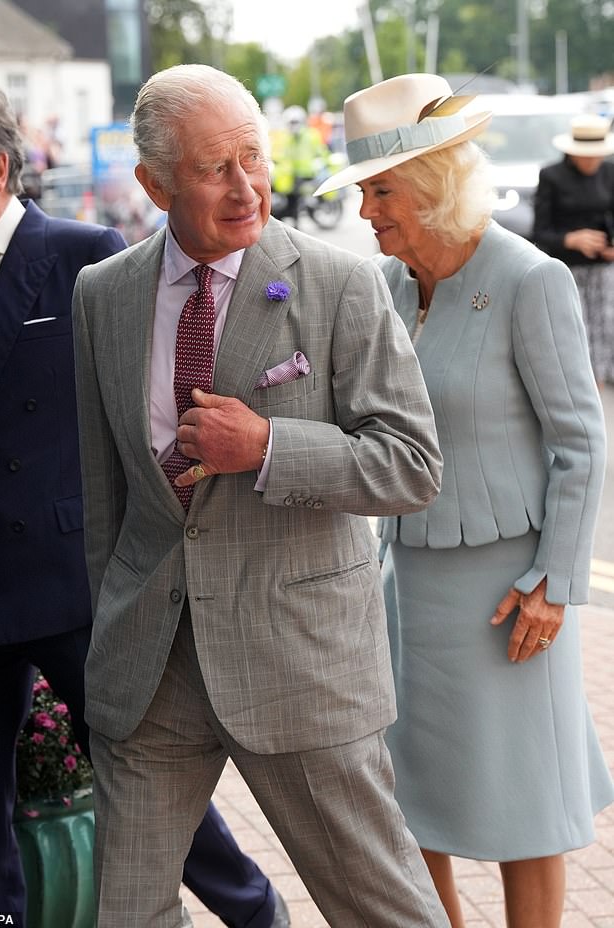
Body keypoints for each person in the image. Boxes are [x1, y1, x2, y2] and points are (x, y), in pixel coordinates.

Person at [71, 63, 447, 928]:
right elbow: (104, 493)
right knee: (124, 913)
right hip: (151, 667)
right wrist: (112, 624)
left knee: (384, 912)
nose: (247, 187)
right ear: (153, 184)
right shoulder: (105, 293)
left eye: (254, 157)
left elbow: (412, 465)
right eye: (215, 169)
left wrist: (269, 445)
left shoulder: (339, 284)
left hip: (298, 667)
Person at [0, 85, 291, 928]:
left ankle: (256, 912)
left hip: (71, 580)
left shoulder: (85, 251)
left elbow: (150, 408)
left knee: (152, 788)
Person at [315, 73, 614, 928]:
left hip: (509, 595)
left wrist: (555, 585)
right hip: (408, 583)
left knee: (526, 810)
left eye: (381, 192)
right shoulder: (391, 285)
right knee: (412, 802)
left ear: (432, 187)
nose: (367, 212)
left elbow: (580, 443)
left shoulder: (529, 279)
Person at [533, 113, 614, 389]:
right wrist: (571, 239)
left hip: (603, 265)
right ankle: (579, 379)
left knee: (606, 323)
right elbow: (539, 232)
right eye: (587, 155)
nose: (592, 161)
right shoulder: (552, 176)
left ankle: (602, 375)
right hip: (567, 265)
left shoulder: (609, 172)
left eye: (597, 155)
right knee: (572, 324)